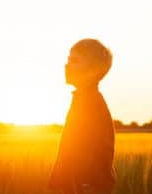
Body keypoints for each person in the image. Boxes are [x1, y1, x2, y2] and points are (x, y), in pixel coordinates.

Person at [48, 39, 116, 194]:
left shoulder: (91, 104)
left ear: (92, 69)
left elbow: (97, 152)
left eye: (74, 61)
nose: (67, 65)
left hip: (84, 187)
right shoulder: (82, 100)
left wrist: (85, 186)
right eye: (67, 60)